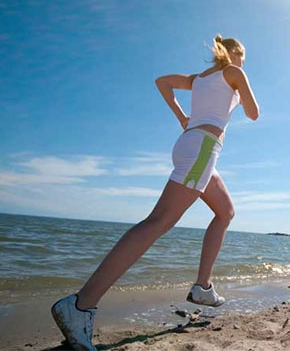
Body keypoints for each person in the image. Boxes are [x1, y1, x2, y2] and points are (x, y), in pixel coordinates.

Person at [50, 33, 259, 350]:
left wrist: (182, 117)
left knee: (225, 211)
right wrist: (241, 89)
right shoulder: (234, 72)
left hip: (193, 147)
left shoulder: (198, 78)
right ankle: (80, 305)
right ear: (234, 54)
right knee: (158, 222)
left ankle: (202, 287)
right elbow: (254, 112)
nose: (244, 63)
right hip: (202, 150)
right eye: (243, 57)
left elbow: (162, 82)